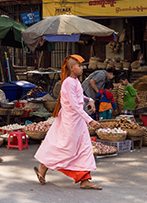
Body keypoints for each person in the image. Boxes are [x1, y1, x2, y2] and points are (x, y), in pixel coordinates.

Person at [34, 55, 103, 190]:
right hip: (70, 121)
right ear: (71, 68)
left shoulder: (75, 81)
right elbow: (75, 105)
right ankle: (44, 165)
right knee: (67, 149)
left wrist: (90, 99)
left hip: (78, 121)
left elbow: (80, 96)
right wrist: (90, 120)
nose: (82, 68)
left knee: (84, 149)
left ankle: (85, 179)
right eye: (79, 66)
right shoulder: (67, 82)